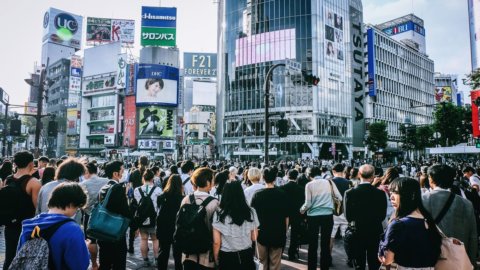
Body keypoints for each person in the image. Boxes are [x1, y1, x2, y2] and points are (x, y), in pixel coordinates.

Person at [15, 182, 89, 270]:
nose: (76, 211)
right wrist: (84, 248)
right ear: (72, 204)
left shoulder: (30, 225)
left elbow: (19, 255)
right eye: (77, 208)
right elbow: (79, 265)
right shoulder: (72, 229)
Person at [379, 177, 442, 268]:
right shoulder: (427, 219)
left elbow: (387, 259)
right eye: (391, 192)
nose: (391, 197)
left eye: (396, 193)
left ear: (410, 195)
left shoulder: (398, 225)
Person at [423, 164, 478, 266]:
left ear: (431, 179)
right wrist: (472, 262)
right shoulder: (466, 203)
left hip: (430, 256)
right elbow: (473, 235)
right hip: (459, 258)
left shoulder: (422, 200)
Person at [1, 151, 42, 270]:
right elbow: (37, 208)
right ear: (31, 164)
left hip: (10, 224)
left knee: (9, 256)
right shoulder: (34, 182)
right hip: (27, 226)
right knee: (25, 258)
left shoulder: (8, 179)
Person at [344, 164, 386, 270]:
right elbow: (382, 215)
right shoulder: (380, 193)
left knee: (359, 263)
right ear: (373, 176)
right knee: (374, 263)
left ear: (359, 174)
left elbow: (348, 216)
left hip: (357, 230)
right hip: (375, 230)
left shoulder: (349, 193)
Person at [300, 166, 341, 270]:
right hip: (327, 216)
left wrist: (301, 210)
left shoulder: (309, 185)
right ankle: (324, 267)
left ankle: (312, 267)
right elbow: (339, 197)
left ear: (309, 175)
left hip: (313, 217)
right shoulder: (329, 182)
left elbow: (308, 203)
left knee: (312, 244)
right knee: (325, 243)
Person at [213, 181, 259, 270]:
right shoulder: (251, 212)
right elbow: (254, 237)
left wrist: (216, 258)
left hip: (227, 257)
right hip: (246, 255)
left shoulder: (219, 214)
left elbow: (216, 242)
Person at [180, 167, 219, 270]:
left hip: (188, 253)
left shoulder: (186, 199)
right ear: (208, 182)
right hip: (206, 255)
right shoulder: (214, 203)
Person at [251, 167, 289, 270]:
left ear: (263, 178)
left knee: (261, 263)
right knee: (275, 263)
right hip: (278, 232)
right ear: (275, 178)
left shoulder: (257, 194)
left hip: (261, 233)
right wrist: (284, 231)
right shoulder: (282, 194)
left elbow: (252, 216)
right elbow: (286, 216)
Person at [97, 160, 131, 270]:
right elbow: (124, 211)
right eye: (122, 170)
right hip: (115, 231)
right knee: (119, 262)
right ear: (115, 174)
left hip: (103, 230)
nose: (123, 173)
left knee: (105, 262)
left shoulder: (103, 188)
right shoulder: (118, 188)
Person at [79, 162, 109, 270]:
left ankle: (94, 264)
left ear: (86, 172)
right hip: (105, 215)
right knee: (105, 239)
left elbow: (81, 203)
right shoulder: (107, 181)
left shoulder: (83, 184)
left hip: (89, 215)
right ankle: (105, 264)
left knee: (91, 240)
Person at [134, 169, 163, 267]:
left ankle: (145, 260)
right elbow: (160, 205)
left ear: (143, 178)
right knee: (155, 239)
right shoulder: (158, 190)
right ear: (152, 178)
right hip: (154, 218)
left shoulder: (137, 190)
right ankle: (156, 259)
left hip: (142, 218)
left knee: (143, 239)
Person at [156, 174, 184, 270]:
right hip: (177, 228)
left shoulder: (161, 197)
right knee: (178, 255)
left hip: (164, 227)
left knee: (163, 252)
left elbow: (159, 213)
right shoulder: (182, 198)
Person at [280, 169, 305, 261]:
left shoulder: (282, 188)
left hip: (284, 214)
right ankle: (292, 253)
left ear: (287, 176)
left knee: (283, 233)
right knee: (294, 234)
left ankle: (281, 251)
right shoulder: (301, 189)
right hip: (297, 214)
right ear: (296, 176)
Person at [127, 155, 149, 253]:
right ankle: (146, 246)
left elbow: (130, 187)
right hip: (146, 201)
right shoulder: (149, 172)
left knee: (133, 226)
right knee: (146, 224)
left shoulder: (134, 172)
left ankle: (131, 246)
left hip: (135, 201)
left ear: (139, 162)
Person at [330, 164, 350, 264]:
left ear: (333, 171)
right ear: (343, 171)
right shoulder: (349, 182)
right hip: (346, 213)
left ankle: (328, 258)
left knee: (331, 236)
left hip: (333, 212)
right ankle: (350, 258)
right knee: (346, 236)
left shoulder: (329, 182)